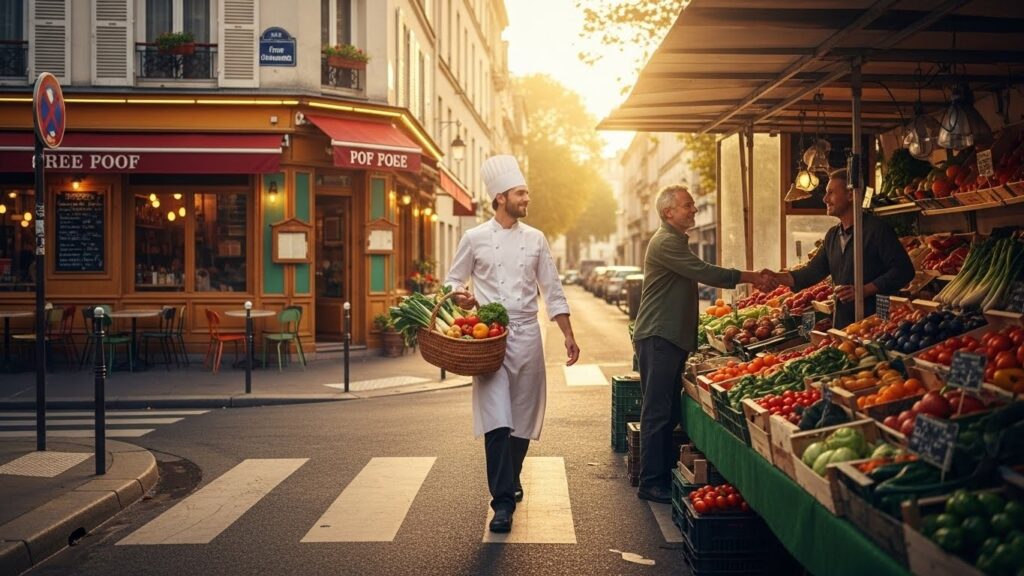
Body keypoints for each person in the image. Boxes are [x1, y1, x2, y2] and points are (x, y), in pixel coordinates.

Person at [445, 154, 580, 533]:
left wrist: (568, 334)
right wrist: (462, 297)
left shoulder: (536, 239)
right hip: (489, 339)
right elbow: (452, 282)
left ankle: (512, 474)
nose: (527, 198)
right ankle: (502, 502)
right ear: (501, 196)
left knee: (522, 419)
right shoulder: (473, 238)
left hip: (528, 334)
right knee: (496, 419)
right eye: (521, 193)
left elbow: (552, 290)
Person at [631, 185, 776, 504]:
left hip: (668, 337)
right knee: (657, 412)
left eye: (693, 204)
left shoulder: (674, 241)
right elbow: (703, 271)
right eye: (687, 205)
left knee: (666, 411)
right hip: (659, 336)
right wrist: (752, 276)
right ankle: (650, 481)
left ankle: (659, 475)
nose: (694, 209)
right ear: (669, 212)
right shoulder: (667, 242)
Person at [768, 168, 914, 330]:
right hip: (844, 322)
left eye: (831, 193)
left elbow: (904, 270)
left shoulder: (877, 230)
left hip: (876, 320)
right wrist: (774, 277)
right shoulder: (833, 235)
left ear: (851, 195)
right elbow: (811, 273)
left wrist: (864, 290)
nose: (825, 199)